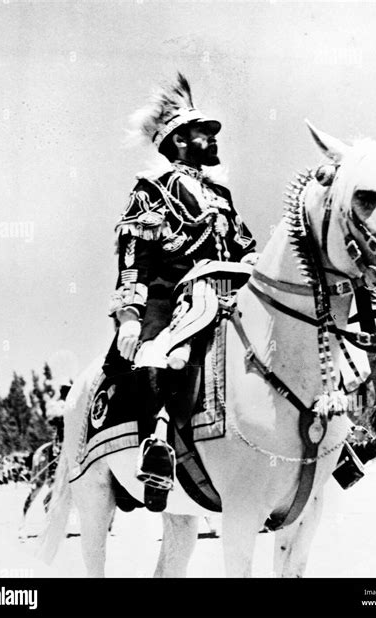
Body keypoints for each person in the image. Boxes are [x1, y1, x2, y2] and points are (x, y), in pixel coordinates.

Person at [106, 73, 257, 511]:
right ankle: (155, 445)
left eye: (211, 134)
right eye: (202, 133)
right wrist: (131, 316)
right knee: (159, 354)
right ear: (178, 141)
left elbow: (245, 246)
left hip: (229, 290)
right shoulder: (151, 189)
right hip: (170, 295)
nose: (212, 139)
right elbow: (134, 255)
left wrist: (254, 265)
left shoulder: (221, 194)